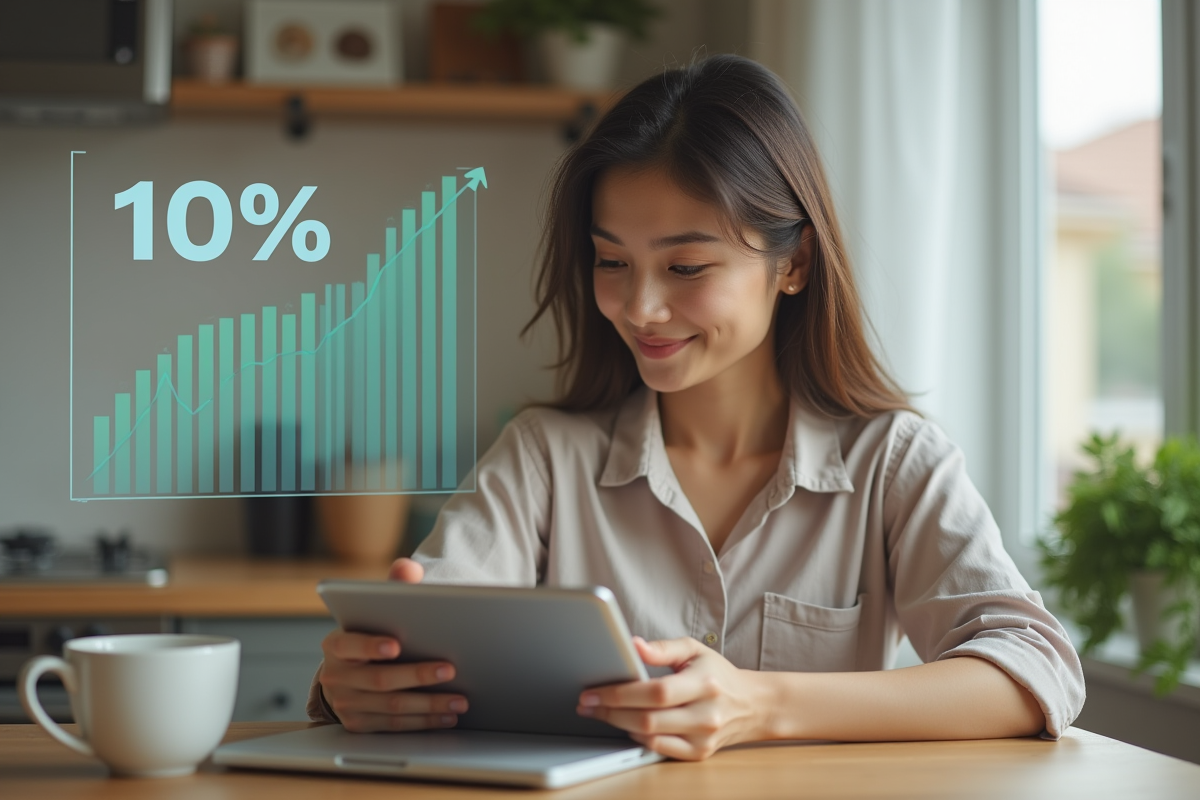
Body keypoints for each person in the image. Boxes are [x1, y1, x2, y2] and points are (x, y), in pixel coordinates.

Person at [309, 54, 1085, 761]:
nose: (640, 307)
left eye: (685, 265)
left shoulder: (893, 461)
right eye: (612, 261)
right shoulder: (543, 456)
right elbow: (434, 641)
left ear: (795, 264)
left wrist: (763, 703)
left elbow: (1034, 668)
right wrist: (369, 685)